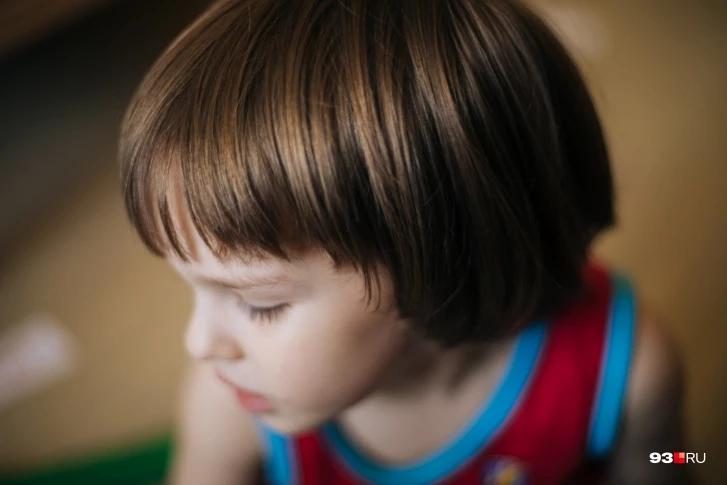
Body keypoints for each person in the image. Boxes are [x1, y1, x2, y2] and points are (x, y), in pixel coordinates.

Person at [118, 1, 686, 483]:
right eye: (193, 287)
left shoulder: (624, 369)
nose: (199, 342)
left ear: (447, 257)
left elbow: (677, 462)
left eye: (259, 303)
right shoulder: (232, 404)